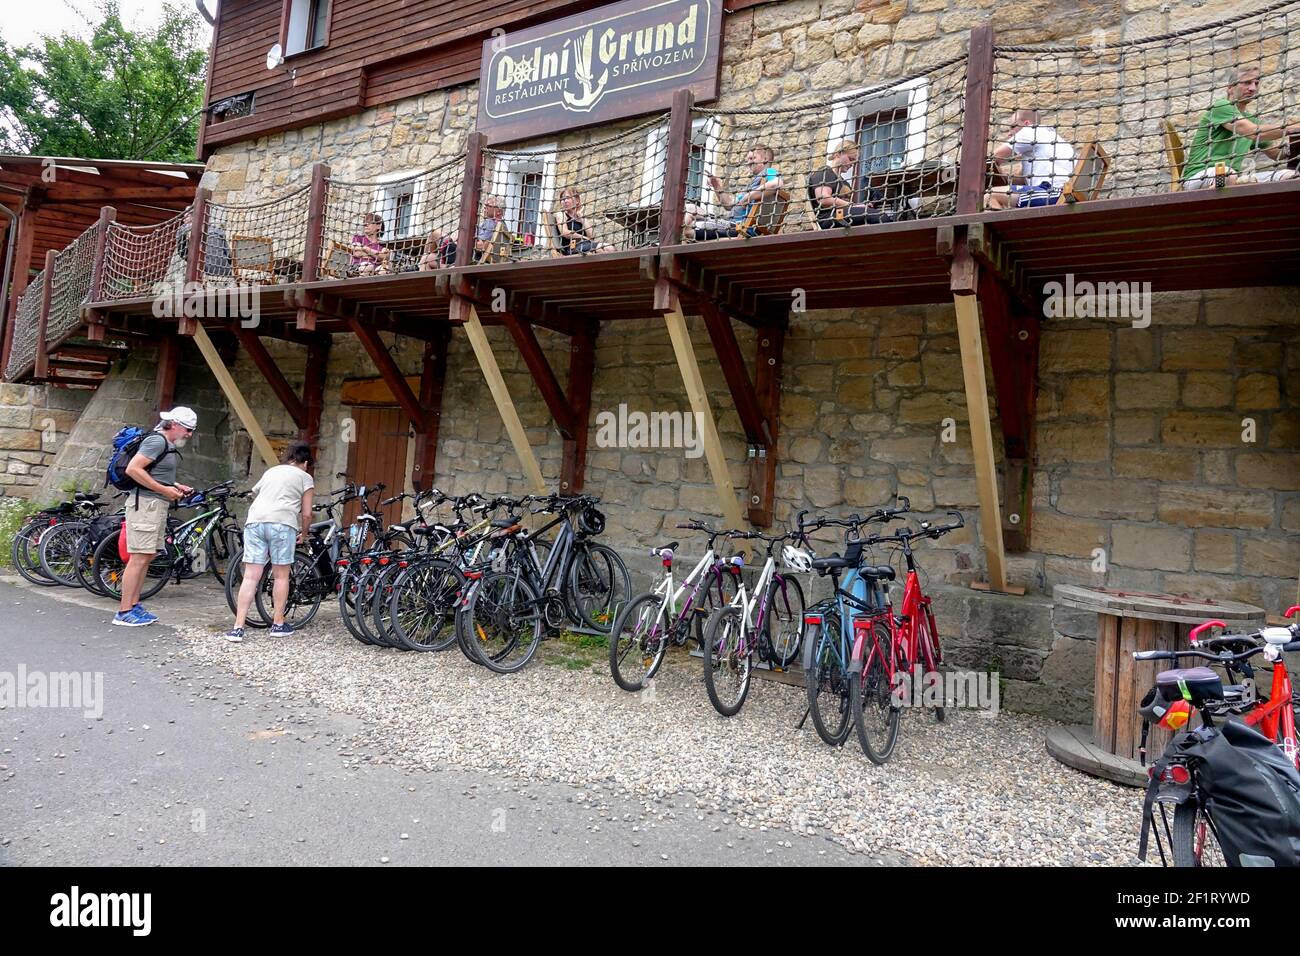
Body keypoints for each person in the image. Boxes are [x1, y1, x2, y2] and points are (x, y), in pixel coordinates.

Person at [112, 407, 197, 627]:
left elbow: (151, 472)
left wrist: (175, 486)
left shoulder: (164, 444)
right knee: (139, 557)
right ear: (175, 425)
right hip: (146, 505)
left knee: (147, 556)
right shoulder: (157, 442)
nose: (189, 434)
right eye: (188, 429)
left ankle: (133, 605)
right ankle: (123, 611)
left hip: (154, 504)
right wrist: (163, 490)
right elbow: (134, 469)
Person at [225, 441, 316, 643]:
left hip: (255, 522)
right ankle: (278, 624)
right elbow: (307, 513)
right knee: (281, 576)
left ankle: (238, 628)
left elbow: (254, 493)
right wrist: (304, 532)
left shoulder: (272, 471)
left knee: (250, 576)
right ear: (306, 462)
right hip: (282, 524)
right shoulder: (305, 477)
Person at [1182, 67, 1299, 190]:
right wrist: (1294, 128)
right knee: (1228, 175)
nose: (1253, 88)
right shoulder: (1221, 106)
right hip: (1199, 176)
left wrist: (1295, 147)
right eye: (1247, 83)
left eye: (1256, 83)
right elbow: (1254, 133)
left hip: (1232, 178)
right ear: (1230, 88)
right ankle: (1212, 203)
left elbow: (1277, 154)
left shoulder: (1252, 120)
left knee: (1291, 176)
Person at [985, 109, 1076, 209]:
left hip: (1053, 191)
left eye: (1012, 127)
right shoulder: (1048, 139)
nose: (1009, 133)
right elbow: (1018, 180)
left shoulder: (1030, 130)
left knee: (990, 195)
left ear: (1027, 123)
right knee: (1001, 196)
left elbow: (994, 157)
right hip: (1062, 192)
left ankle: (994, 224)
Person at [690, 145, 784, 240]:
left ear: (765, 159)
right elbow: (729, 205)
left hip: (738, 228)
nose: (749, 162)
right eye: (748, 159)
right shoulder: (754, 184)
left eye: (752, 158)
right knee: (690, 209)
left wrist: (748, 197)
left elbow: (777, 183)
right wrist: (717, 186)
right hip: (730, 224)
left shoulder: (769, 172)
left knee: (690, 227)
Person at [807, 139, 892, 228]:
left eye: (854, 161)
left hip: (841, 216)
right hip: (829, 218)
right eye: (850, 159)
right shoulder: (825, 172)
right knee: (880, 217)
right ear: (838, 154)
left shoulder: (844, 182)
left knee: (879, 217)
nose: (852, 164)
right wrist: (853, 206)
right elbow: (823, 199)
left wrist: (859, 206)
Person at [553, 188, 614, 254]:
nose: (564, 201)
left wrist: (582, 218)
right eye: (562, 199)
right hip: (572, 247)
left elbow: (591, 236)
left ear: (576, 200)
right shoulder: (561, 214)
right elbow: (565, 233)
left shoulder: (579, 216)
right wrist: (583, 237)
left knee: (608, 249)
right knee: (607, 248)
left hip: (584, 245)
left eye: (567, 198)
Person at [474, 195, 511, 261]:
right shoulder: (504, 226)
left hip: (478, 260)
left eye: (489, 205)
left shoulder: (490, 222)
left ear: (499, 211)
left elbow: (481, 247)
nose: (485, 207)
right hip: (492, 261)